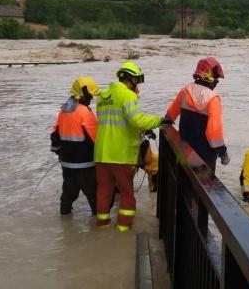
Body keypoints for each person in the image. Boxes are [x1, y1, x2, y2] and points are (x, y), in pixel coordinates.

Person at [94, 62, 170, 232]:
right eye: (137, 80)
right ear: (131, 79)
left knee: (104, 190)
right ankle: (123, 228)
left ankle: (103, 225)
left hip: (101, 153)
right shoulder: (128, 95)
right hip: (120, 153)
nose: (137, 84)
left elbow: (113, 122)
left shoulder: (103, 96)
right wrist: (159, 120)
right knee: (127, 192)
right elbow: (135, 120)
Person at [165, 57, 229, 172]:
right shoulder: (213, 98)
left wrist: (166, 124)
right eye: (216, 79)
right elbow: (213, 132)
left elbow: (170, 115)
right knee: (205, 185)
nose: (216, 83)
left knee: (184, 183)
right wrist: (223, 152)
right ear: (210, 78)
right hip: (205, 156)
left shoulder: (185, 91)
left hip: (185, 150)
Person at [50, 76, 101, 216]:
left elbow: (54, 135)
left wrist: (59, 152)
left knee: (68, 192)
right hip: (85, 164)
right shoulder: (86, 112)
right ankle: (100, 227)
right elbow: (96, 139)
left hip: (67, 163)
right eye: (90, 95)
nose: (91, 98)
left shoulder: (63, 110)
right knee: (93, 194)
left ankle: (65, 219)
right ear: (83, 93)